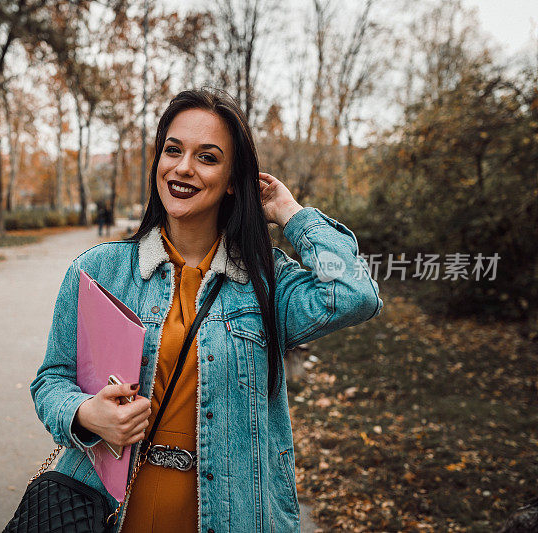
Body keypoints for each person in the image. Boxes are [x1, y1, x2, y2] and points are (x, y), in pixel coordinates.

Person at [29, 87, 383, 533]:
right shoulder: (98, 270)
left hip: (230, 514)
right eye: (173, 150)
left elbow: (356, 291)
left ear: (234, 179)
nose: (182, 168)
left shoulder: (266, 282)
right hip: (107, 512)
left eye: (207, 157)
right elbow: (51, 380)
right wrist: (86, 414)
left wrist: (291, 213)